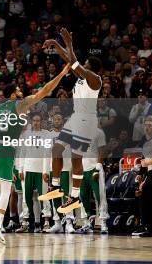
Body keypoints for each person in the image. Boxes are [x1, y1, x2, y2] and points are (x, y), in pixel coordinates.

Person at [0, 63, 70, 244]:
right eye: (19, 90)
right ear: (13, 94)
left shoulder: (0, 108)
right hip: (5, 149)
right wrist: (61, 73)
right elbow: (45, 90)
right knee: (5, 190)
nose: (22, 91)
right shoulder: (19, 105)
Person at [40, 28, 103, 215]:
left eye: (86, 64)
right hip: (76, 117)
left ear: (92, 67)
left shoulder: (95, 80)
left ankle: (74, 197)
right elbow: (71, 60)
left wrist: (68, 43)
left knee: (77, 158)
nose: (82, 64)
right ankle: (56, 186)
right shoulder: (83, 77)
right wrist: (56, 44)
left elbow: (74, 63)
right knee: (56, 149)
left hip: (87, 120)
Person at [132, 116, 152, 237]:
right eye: (146, 125)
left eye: (150, 125)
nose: (147, 127)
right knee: (143, 194)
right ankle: (147, 226)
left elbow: (148, 161)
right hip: (151, 174)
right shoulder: (145, 141)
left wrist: (148, 163)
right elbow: (144, 161)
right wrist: (141, 175)